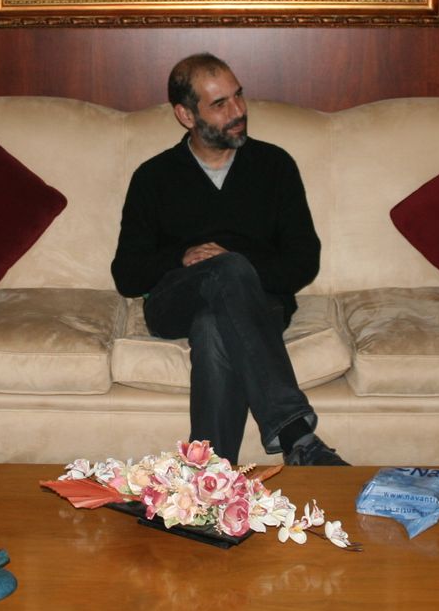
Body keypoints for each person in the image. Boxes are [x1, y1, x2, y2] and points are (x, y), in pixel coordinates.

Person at [111, 53, 346, 467]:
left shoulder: (274, 166)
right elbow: (127, 273)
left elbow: (303, 262)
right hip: (174, 301)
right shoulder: (154, 177)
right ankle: (294, 432)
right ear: (185, 114)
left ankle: (207, 475)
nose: (238, 112)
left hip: (259, 302)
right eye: (220, 104)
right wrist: (185, 257)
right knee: (226, 271)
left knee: (214, 324)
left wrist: (238, 263)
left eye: (238, 97)